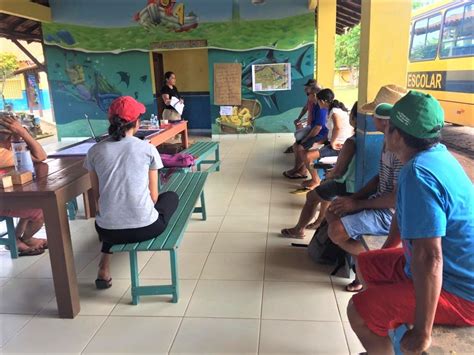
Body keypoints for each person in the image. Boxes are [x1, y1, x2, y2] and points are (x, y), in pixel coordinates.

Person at [347, 91, 474, 355]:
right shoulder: (436, 156)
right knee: (366, 264)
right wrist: (387, 248)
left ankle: (380, 344)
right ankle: (383, 334)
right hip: (445, 267)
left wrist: (422, 332)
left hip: (461, 291)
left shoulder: (418, 174)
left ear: (395, 134)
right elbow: (404, 218)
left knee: (358, 310)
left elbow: (430, 257)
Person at [84, 96, 179, 289]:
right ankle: (105, 262)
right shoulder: (147, 148)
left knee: (114, 212)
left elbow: (98, 198)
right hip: (146, 228)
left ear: (111, 122)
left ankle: (104, 265)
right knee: (171, 197)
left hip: (106, 231)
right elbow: (153, 198)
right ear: (136, 123)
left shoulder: (95, 151)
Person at [326, 101, 403, 292]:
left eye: (373, 115)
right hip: (377, 202)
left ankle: (373, 262)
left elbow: (395, 199)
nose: (369, 119)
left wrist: (358, 204)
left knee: (336, 231)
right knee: (332, 210)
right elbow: (379, 178)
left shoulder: (399, 151)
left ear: (383, 121)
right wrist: (353, 200)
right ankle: (364, 266)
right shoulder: (386, 141)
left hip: (390, 214)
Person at [281, 102, 358, 239]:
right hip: (357, 183)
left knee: (314, 195)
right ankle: (319, 220)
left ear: (354, 119)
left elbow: (339, 172)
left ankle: (300, 229)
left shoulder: (352, 141)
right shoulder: (369, 139)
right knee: (324, 189)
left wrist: (331, 174)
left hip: (348, 184)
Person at [0, 112, 48, 256]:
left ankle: (15, 238)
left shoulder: (5, 149)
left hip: (5, 197)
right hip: (3, 201)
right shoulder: (2, 154)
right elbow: (41, 156)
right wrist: (22, 133)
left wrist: (18, 135)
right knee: (42, 210)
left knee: (31, 201)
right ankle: (25, 238)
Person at [301, 89, 354, 190]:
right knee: (307, 150)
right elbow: (331, 131)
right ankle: (315, 178)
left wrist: (333, 143)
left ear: (323, 101)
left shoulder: (334, 111)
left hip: (339, 146)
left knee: (307, 156)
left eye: (318, 101)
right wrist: (319, 142)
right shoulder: (333, 110)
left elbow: (337, 127)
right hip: (335, 142)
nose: (317, 103)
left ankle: (316, 180)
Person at [283, 85, 328, 179]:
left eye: (308, 94)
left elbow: (318, 128)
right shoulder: (315, 105)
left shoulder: (321, 108)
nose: (307, 96)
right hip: (314, 131)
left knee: (300, 147)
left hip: (322, 135)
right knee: (296, 145)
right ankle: (301, 170)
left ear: (314, 95)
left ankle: (297, 169)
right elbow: (313, 124)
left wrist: (307, 138)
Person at [284, 79, 322, 153]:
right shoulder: (310, 99)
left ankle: (298, 146)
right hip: (310, 122)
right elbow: (305, 108)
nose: (305, 90)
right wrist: (299, 118)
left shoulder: (319, 104)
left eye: (307, 88)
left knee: (303, 137)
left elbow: (319, 126)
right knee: (298, 127)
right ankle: (297, 144)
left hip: (314, 125)